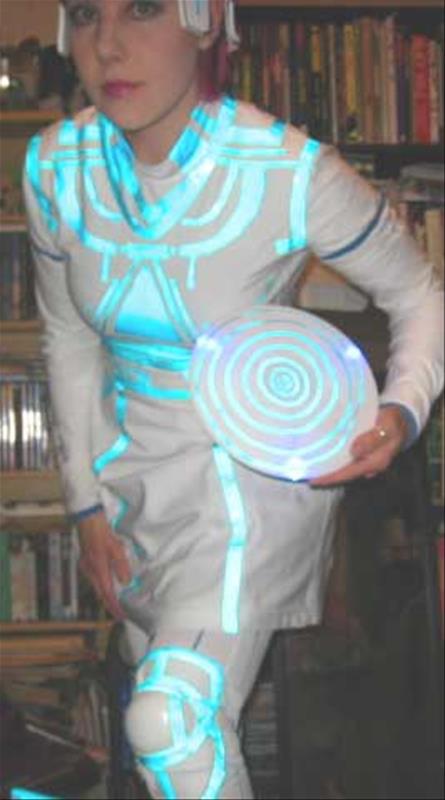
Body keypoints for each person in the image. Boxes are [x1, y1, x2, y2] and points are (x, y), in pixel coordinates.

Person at [23, 1, 443, 798]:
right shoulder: (56, 166)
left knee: (170, 721)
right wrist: (84, 506)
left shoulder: (287, 170)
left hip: (248, 483)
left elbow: (420, 295)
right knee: (171, 746)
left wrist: (400, 410)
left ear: (204, 21)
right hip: (133, 486)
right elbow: (69, 336)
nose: (108, 44)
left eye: (143, 8)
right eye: (85, 13)